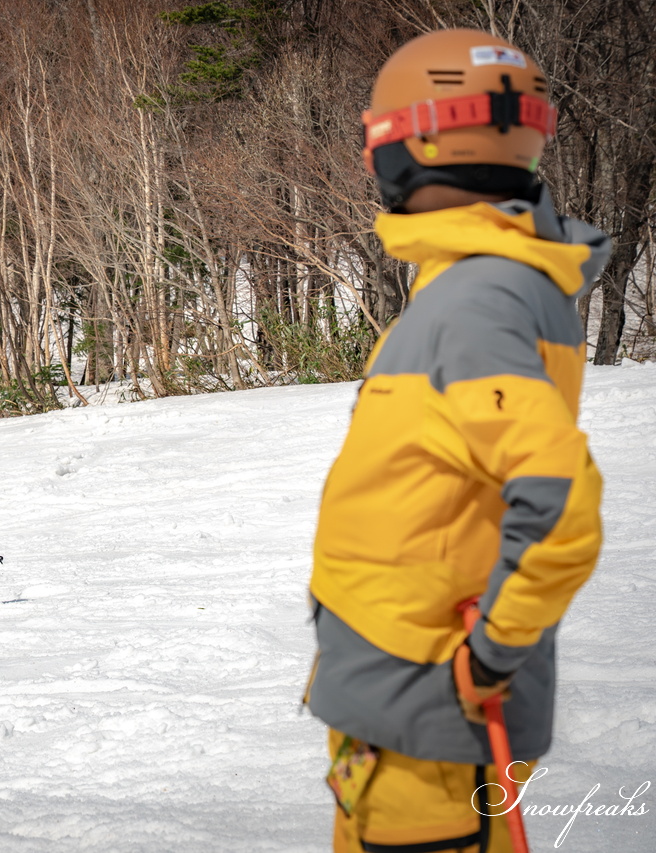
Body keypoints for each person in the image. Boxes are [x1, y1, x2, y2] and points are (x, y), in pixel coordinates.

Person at [305, 28, 610, 853]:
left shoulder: (478, 299)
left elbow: (559, 502)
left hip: (433, 713)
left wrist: (492, 654)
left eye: (376, 141)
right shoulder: (474, 282)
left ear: (417, 146)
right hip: (395, 702)